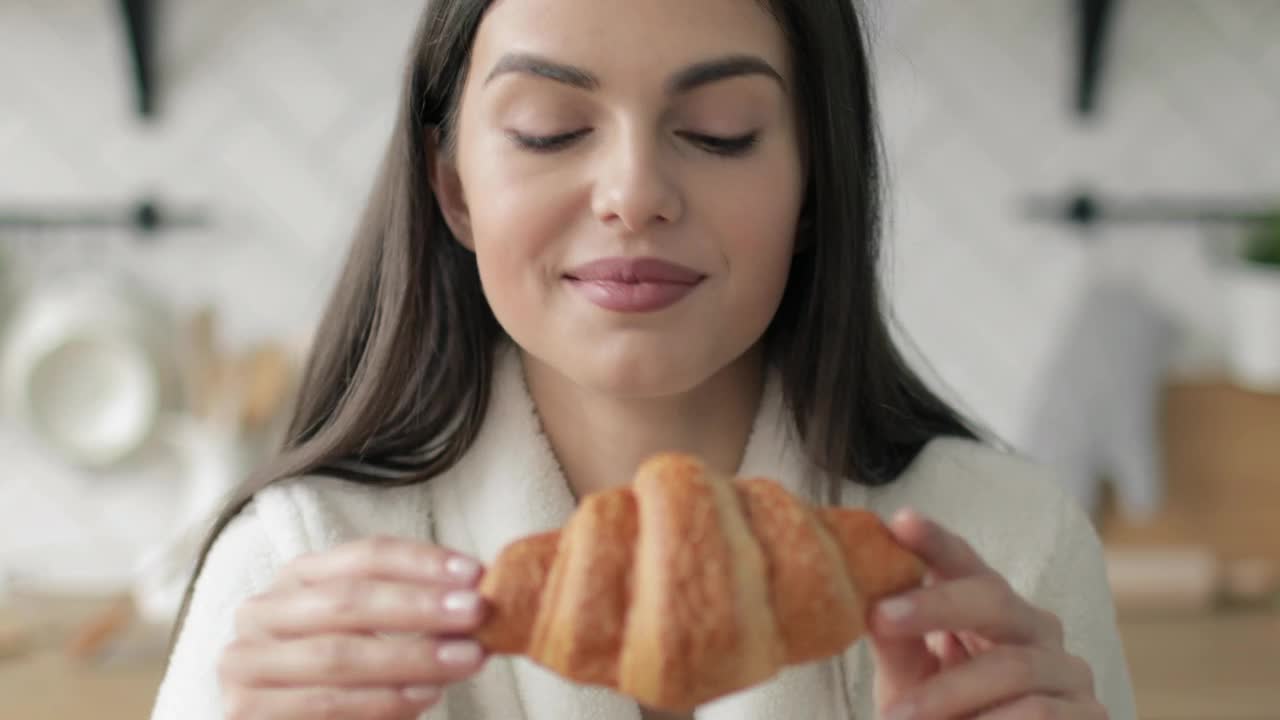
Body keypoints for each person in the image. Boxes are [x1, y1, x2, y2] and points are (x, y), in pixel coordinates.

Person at [151, 0, 1137, 718]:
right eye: (549, 131)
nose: (632, 193)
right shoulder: (301, 575)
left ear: (814, 185)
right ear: (453, 188)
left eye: (718, 134)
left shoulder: (1003, 555)